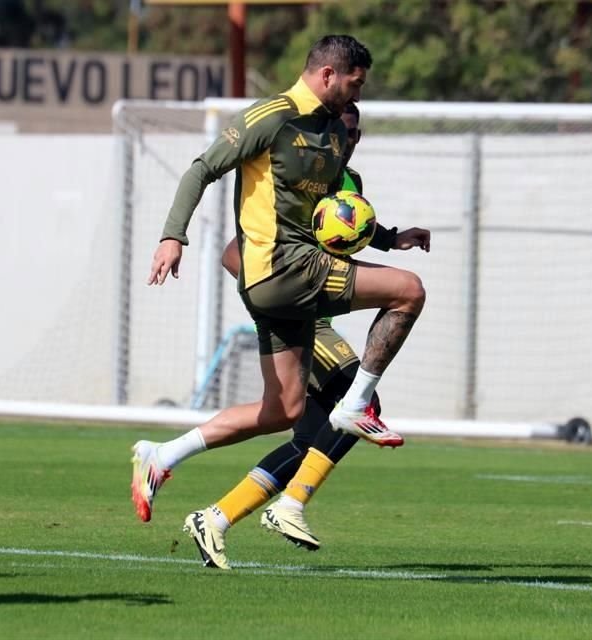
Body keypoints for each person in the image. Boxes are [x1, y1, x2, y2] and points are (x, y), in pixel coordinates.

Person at [134, 35, 426, 527]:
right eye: (354, 84)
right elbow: (202, 170)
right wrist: (172, 237)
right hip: (282, 267)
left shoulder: (334, 132)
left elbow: (336, 215)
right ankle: (356, 404)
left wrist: (390, 238)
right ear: (328, 74)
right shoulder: (270, 116)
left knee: (284, 409)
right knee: (409, 291)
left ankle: (161, 456)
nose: (358, 96)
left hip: (281, 285)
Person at [184, 102, 431, 568]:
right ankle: (289, 505)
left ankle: (215, 518)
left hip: (317, 318)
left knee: (310, 438)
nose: (348, 139)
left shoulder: (349, 184)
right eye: (342, 129)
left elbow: (354, 229)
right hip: (300, 322)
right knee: (363, 406)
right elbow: (234, 254)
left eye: (356, 134)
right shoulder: (297, 180)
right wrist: (277, 298)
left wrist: (393, 237)